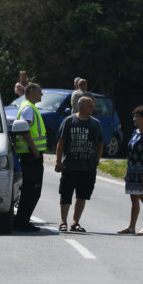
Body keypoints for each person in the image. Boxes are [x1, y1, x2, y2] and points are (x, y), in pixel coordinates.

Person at [54, 96, 103, 232]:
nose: (92, 109)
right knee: (66, 194)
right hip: (70, 165)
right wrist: (58, 161)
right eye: (90, 106)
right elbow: (61, 142)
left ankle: (75, 222)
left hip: (88, 167)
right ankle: (63, 221)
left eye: (92, 106)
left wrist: (97, 161)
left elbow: (100, 144)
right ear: (81, 106)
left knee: (82, 195)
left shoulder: (95, 123)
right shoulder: (69, 121)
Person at [13, 83, 47, 232]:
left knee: (31, 190)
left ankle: (21, 220)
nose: (42, 94)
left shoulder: (29, 106)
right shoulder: (28, 108)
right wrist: (34, 150)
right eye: (40, 91)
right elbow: (25, 130)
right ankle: (22, 221)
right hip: (31, 155)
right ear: (32, 91)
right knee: (32, 190)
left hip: (31, 155)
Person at [117, 106, 143, 235]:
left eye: (136, 116)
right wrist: (127, 171)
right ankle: (131, 227)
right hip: (132, 169)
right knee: (134, 198)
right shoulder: (135, 132)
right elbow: (131, 153)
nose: (134, 119)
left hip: (142, 170)